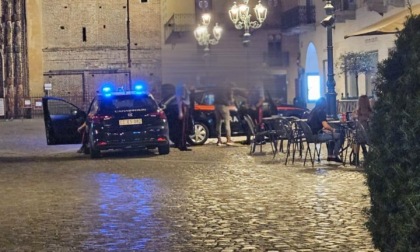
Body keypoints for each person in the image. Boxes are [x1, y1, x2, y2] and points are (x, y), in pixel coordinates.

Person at [307, 97, 343, 163]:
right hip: (317, 136)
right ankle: (335, 155)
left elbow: (315, 125)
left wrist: (323, 130)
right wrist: (332, 129)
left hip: (311, 135)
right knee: (338, 136)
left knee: (330, 135)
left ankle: (330, 155)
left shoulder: (313, 111)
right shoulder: (321, 112)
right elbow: (326, 125)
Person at [350, 95, 373, 165]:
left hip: (359, 138)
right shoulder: (371, 113)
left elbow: (352, 126)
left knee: (355, 138)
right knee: (360, 136)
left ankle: (355, 158)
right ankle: (366, 154)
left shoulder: (356, 114)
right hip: (370, 137)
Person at [175, 82, 193, 151]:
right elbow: (180, 100)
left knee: (183, 128)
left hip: (184, 107)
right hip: (184, 107)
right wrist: (181, 112)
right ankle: (182, 145)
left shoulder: (181, 87)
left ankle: (182, 144)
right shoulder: (183, 88)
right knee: (183, 128)